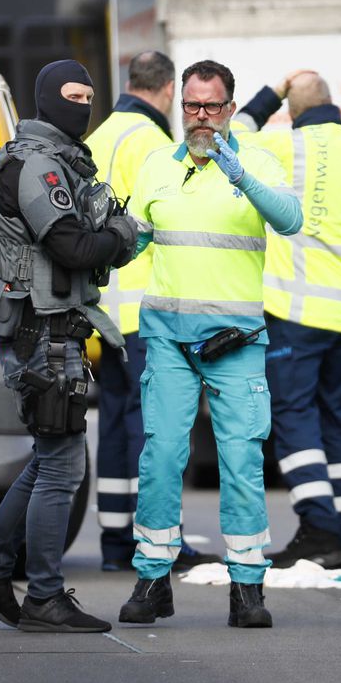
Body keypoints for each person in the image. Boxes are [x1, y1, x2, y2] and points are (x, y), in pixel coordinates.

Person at [0, 59, 138, 633]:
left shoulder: (60, 162)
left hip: (54, 327)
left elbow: (89, 246)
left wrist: (110, 240)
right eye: (71, 95)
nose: (82, 105)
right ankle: (44, 597)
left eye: (89, 95)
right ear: (46, 99)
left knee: (48, 460)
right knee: (62, 465)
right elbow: (73, 247)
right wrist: (122, 235)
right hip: (42, 330)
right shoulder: (37, 166)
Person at [119, 59, 302, 628]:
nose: (201, 117)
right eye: (192, 106)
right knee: (162, 454)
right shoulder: (156, 167)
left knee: (242, 460)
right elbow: (131, 243)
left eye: (212, 107)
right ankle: (152, 578)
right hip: (169, 340)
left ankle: (247, 587)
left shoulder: (258, 160)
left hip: (235, 341)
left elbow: (291, 220)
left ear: (229, 108)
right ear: (181, 107)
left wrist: (239, 172)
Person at [233, 71, 341, 569]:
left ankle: (318, 529)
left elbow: (231, 136)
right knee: (336, 424)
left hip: (292, 312)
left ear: (292, 111)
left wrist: (270, 93)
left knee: (292, 418)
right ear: (333, 103)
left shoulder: (281, 149)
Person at [85, 50, 218, 573]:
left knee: (116, 425)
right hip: (146, 309)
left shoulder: (97, 139)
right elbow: (169, 224)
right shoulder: (155, 145)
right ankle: (155, 539)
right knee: (154, 429)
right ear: (166, 92)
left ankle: (116, 540)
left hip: (102, 311)